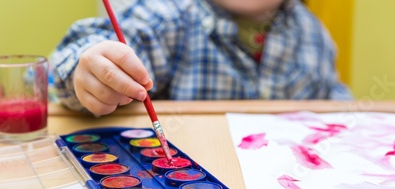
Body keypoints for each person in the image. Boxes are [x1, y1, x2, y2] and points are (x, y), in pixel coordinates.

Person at [50, 0, 352, 116]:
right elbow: (87, 48)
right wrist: (87, 69)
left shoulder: (313, 31)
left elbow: (334, 100)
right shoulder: (168, 16)